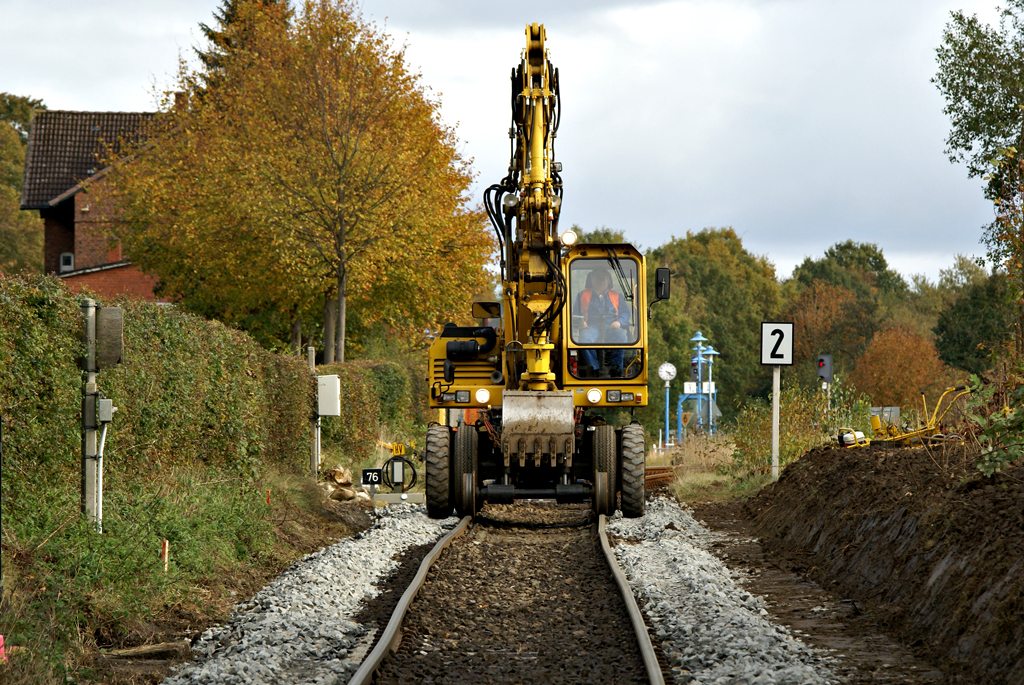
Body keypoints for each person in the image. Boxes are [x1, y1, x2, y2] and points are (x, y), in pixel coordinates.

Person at [574, 269, 630, 376]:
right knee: (584, 339)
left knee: (621, 336)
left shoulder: (617, 295)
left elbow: (625, 313)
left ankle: (616, 368)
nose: (600, 280)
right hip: (591, 326)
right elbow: (575, 312)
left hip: (611, 327)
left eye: (603, 278)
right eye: (597, 277)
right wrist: (580, 322)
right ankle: (593, 369)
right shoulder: (582, 295)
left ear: (608, 281)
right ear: (591, 280)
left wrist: (619, 322)